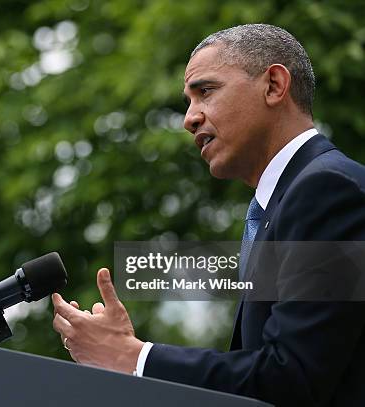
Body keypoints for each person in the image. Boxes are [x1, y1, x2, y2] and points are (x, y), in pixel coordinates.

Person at [52, 24, 365, 406]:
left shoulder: (328, 190)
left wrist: (134, 356)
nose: (190, 118)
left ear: (273, 86)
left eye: (206, 92)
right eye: (188, 100)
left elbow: (291, 376)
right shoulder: (284, 203)